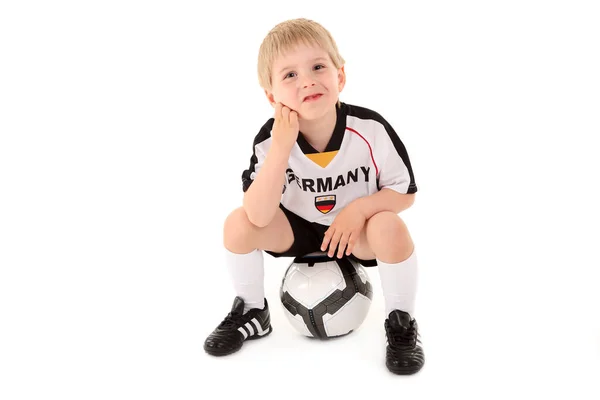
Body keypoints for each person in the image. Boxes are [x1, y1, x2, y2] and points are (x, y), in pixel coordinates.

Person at [203, 18, 424, 375]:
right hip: (298, 230)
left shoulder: (370, 129)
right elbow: (259, 215)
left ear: (340, 76)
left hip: (354, 233)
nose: (307, 80)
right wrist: (281, 147)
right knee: (238, 224)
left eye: (318, 67)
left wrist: (360, 209)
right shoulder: (269, 139)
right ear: (272, 96)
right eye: (289, 75)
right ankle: (252, 310)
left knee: (390, 226)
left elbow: (403, 193)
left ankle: (401, 323)